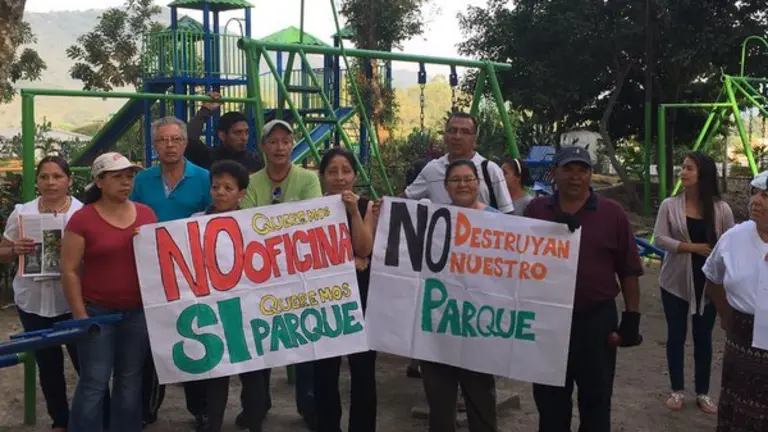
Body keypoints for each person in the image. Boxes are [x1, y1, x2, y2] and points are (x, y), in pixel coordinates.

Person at [524, 146, 644, 432]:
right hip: (548, 320)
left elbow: (628, 270)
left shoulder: (612, 214)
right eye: (568, 169)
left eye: (583, 170)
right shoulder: (537, 210)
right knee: (550, 403)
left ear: (590, 175)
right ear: (555, 173)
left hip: (595, 321)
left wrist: (631, 318)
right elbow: (516, 260)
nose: (575, 177)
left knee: (596, 402)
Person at [60, 152, 156, 432]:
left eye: (129, 176)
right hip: (97, 310)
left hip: (137, 310)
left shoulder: (147, 214)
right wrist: (81, 315)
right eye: (118, 177)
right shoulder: (82, 220)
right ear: (99, 182)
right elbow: (69, 270)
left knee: (130, 379)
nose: (126, 182)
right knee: (95, 379)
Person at [0, 156, 96, 431]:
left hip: (72, 300)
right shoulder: (21, 212)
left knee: (86, 365)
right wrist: (14, 249)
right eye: (44, 177)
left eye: (57, 176)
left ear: (68, 180)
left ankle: (97, 417)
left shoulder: (83, 213)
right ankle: (60, 422)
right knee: (48, 365)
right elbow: (3, 251)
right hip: (32, 301)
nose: (51, 182)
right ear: (38, 181)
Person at [240, 118, 322, 431]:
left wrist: (270, 223)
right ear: (262, 146)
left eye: (285, 141)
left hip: (299, 275)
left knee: (303, 340)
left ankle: (309, 405)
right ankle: (255, 407)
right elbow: (248, 225)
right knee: (257, 343)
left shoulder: (308, 178)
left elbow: (310, 221)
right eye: (273, 141)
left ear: (292, 144)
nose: (279, 147)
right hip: (259, 276)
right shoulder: (252, 181)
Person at [130, 116, 212, 429]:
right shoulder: (142, 181)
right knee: (151, 345)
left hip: (192, 277)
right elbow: (131, 216)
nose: (169, 145)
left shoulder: (204, 178)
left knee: (194, 338)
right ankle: (147, 409)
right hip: (152, 276)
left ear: (185, 143)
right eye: (163, 140)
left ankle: (200, 409)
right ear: (155, 146)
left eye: (176, 139)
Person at [417, 159, 499, 432]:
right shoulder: (430, 222)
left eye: (468, 179)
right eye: (455, 180)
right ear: (446, 186)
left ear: (478, 183)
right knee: (440, 409)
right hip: (439, 330)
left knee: (482, 403)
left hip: (479, 328)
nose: (462, 185)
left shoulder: (499, 223)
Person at [653, 152, 734, 413]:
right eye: (682, 167)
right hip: (675, 282)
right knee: (676, 336)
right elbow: (660, 239)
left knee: (704, 338)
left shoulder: (721, 209)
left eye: (689, 168)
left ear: (704, 174)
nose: (683, 172)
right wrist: (691, 247)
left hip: (709, 284)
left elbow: (731, 242)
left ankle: (703, 393)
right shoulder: (670, 205)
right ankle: (677, 391)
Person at [314, 148, 377, 432]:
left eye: (346, 171)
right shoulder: (310, 210)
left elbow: (365, 247)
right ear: (323, 176)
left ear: (354, 174)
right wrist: (347, 260)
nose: (340, 178)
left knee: (363, 371)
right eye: (332, 171)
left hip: (361, 298)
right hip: (323, 298)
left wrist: (353, 210)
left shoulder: (367, 206)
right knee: (324, 372)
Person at [703, 169, 768, 431]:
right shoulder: (734, 237)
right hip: (742, 344)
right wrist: (726, 316)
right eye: (755, 193)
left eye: (767, 196)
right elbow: (713, 276)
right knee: (739, 415)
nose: (756, 201)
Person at [189, 160, 252, 432]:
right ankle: (212, 423)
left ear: (241, 194)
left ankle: (254, 418)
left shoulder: (255, 223)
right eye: (216, 187)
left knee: (254, 370)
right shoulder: (193, 222)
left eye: (228, 187)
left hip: (249, 307)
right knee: (217, 370)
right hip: (210, 308)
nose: (221, 192)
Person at [404, 112, 514, 214]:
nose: (457, 136)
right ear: (445, 136)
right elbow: (403, 200)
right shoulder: (432, 170)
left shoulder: (490, 170)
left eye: (465, 132)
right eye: (452, 130)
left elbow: (508, 214)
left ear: (475, 139)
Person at [185, 91, 263, 173]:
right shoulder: (209, 157)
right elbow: (189, 138)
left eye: (246, 132)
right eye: (238, 133)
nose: (244, 138)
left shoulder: (254, 161)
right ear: (222, 135)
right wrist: (205, 110)